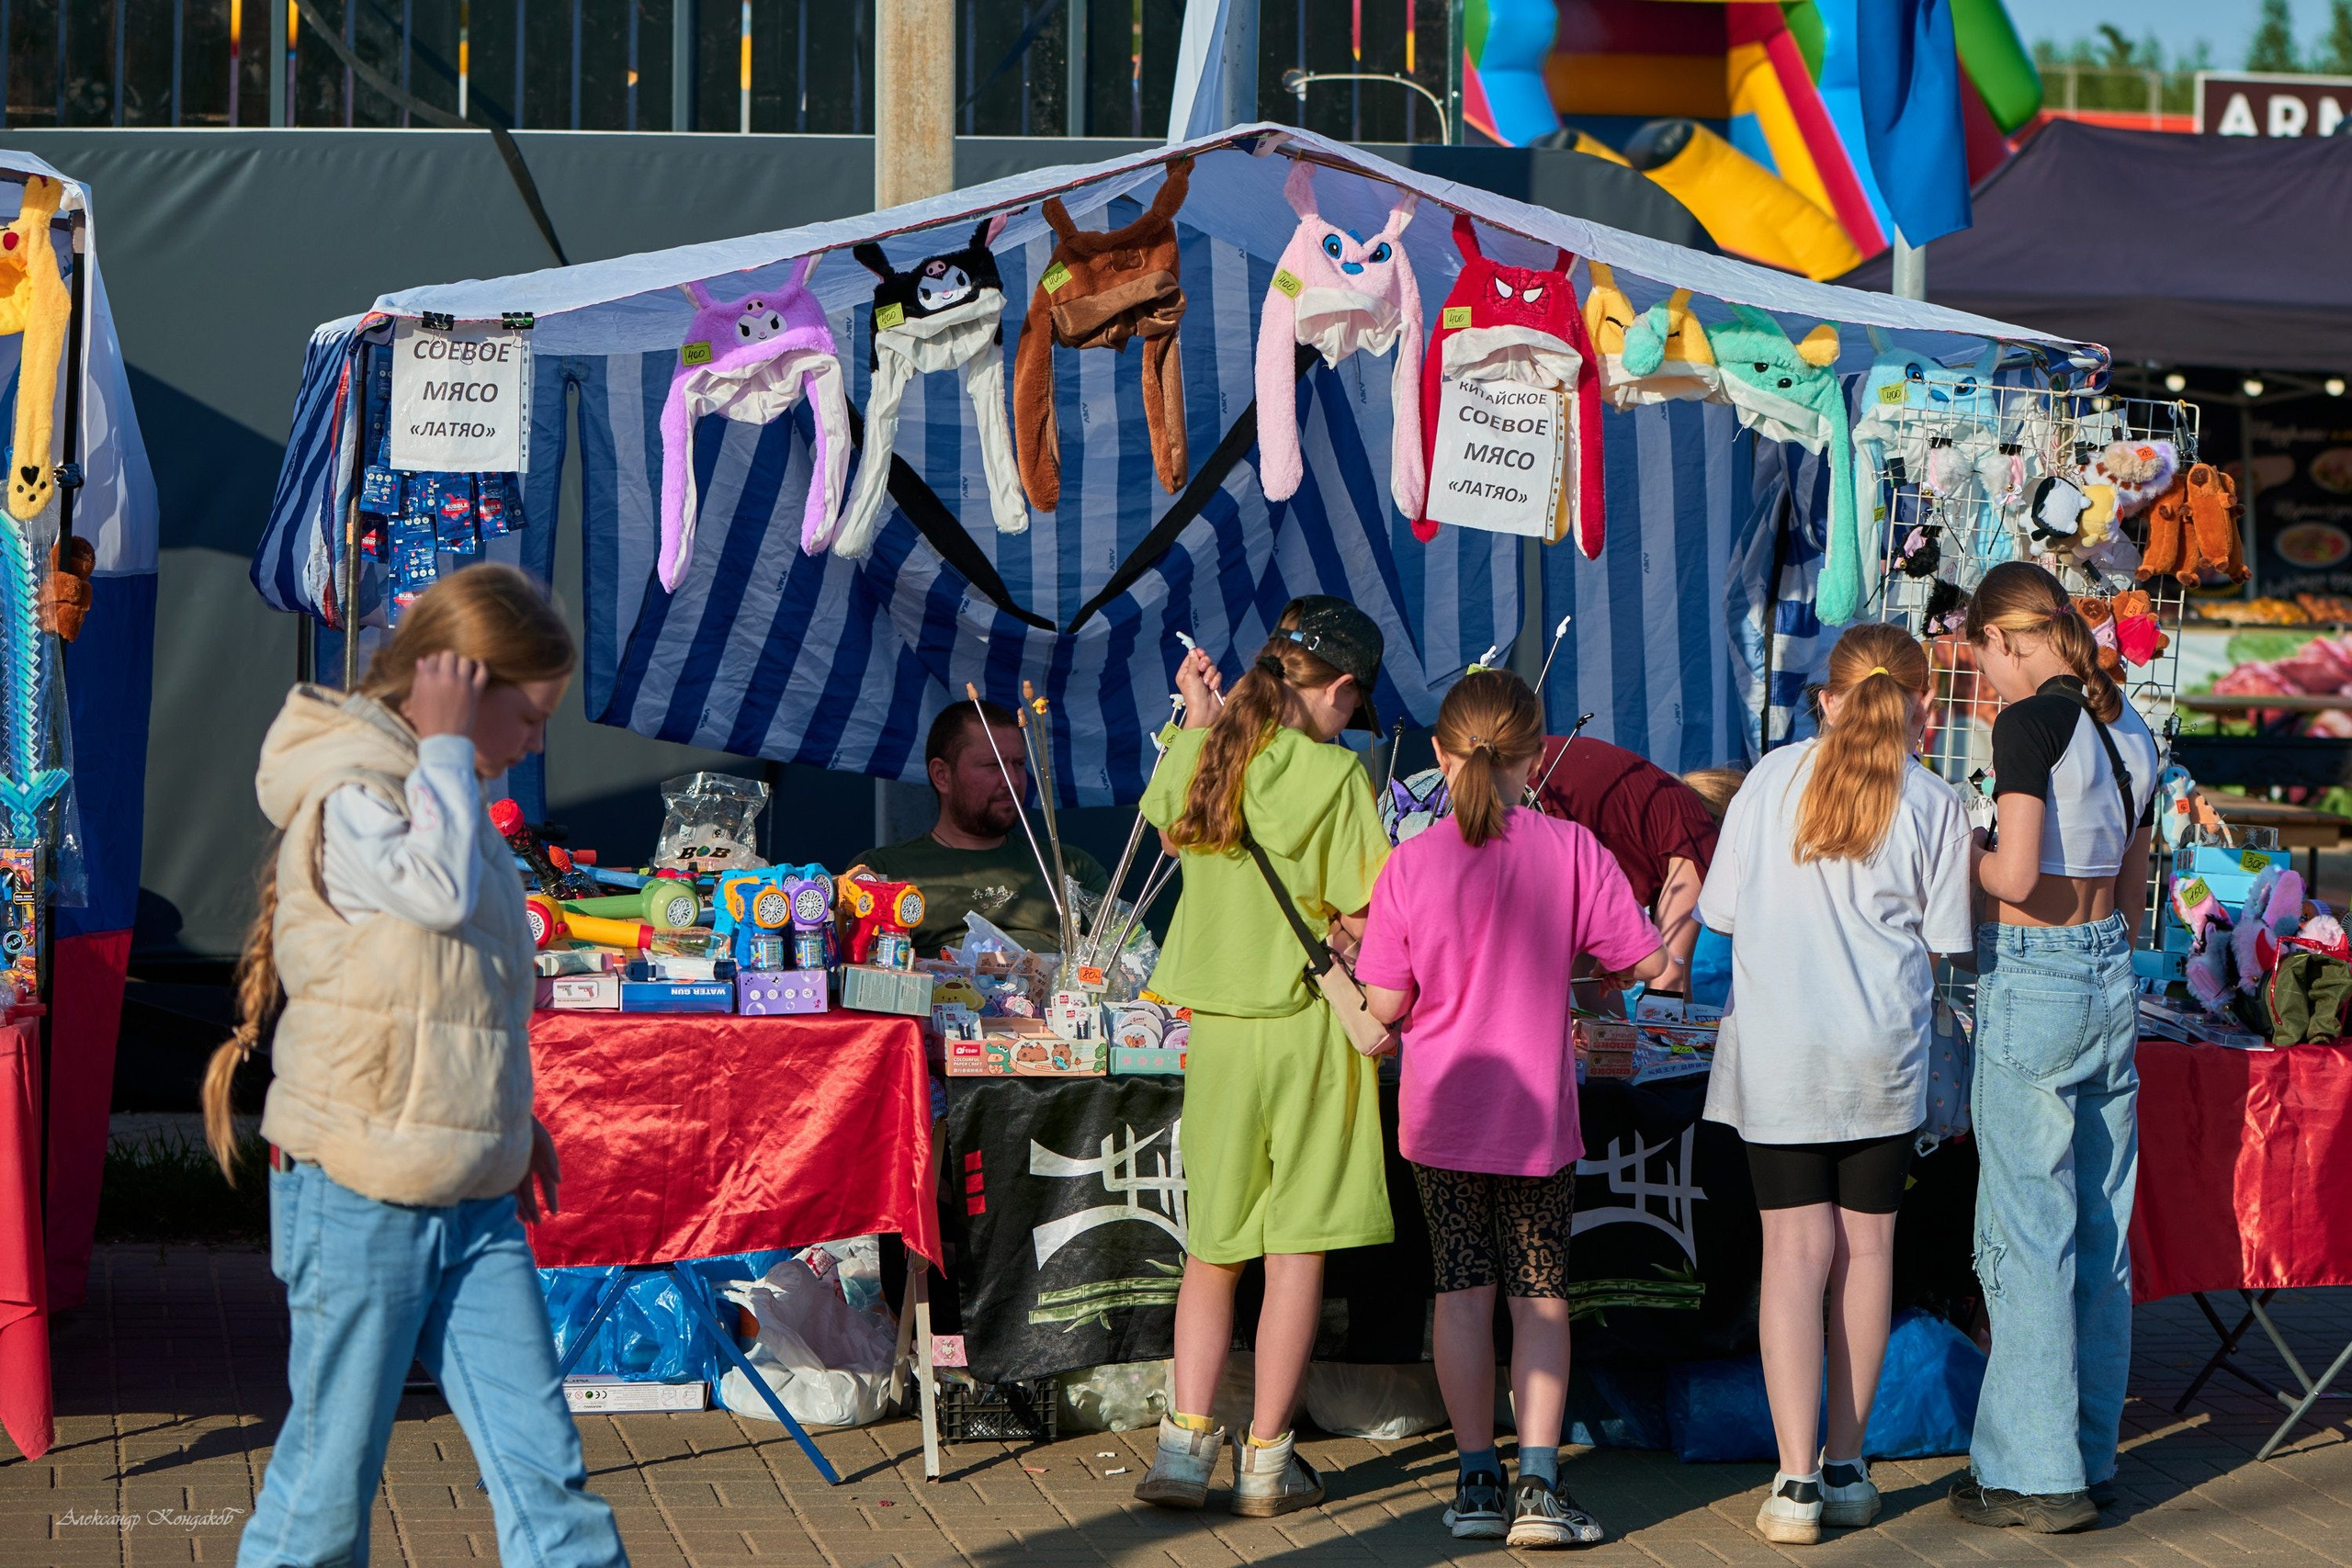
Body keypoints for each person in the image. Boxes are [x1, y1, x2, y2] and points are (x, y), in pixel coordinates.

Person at [209, 564, 628, 1568]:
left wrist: (506, 1122)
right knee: (325, 1492)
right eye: (528, 716)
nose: (534, 744)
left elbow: (459, 992)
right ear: (464, 688)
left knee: (546, 1473)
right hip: (359, 1189)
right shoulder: (357, 795)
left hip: (469, 1192)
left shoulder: (451, 794)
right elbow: (434, 900)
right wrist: (443, 744)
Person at [1357, 671, 1665, 1549]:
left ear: (1442, 757)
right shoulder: (1571, 849)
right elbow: (1641, 961)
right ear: (1533, 757)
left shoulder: (1411, 861)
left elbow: (1383, 1004)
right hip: (1535, 1114)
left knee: (1459, 1289)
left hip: (1442, 1112)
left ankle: (1474, 1478)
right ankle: (1538, 1480)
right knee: (1540, 1296)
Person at [1697, 623, 1974, 1547]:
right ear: (1919, 704)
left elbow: (1721, 913)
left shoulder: (1771, 777)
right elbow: (1947, 943)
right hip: (1877, 1061)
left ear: (1828, 695)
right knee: (1865, 1256)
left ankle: (1796, 1478)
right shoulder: (1934, 802)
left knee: (1792, 1259)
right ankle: (1849, 1463)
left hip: (1777, 1054)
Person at [1132, 596, 1394, 1517]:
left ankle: (1178, 1450)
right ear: (1339, 690)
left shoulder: (1203, 751)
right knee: (1295, 1254)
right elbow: (1366, 914)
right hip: (1309, 1035)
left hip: (1219, 1038)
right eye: (1348, 708)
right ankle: (1266, 1464)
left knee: (1212, 1251)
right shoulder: (1336, 778)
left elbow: (1173, 833)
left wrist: (1199, 719)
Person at [1951, 561, 2156, 1535]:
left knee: (2025, 1235)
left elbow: (2018, 874)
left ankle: (2032, 1473)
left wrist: (1959, 849)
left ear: (2007, 636)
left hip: (2033, 971)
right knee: (2099, 1234)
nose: (1982, 674)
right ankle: (2085, 1451)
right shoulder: (2133, 730)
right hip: (2109, 975)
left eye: (1980, 653)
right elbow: (2130, 885)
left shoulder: (2029, 723)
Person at [854, 699, 1106, 957]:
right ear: (942, 775)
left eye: (1018, 764)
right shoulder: (883, 871)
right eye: (993, 765)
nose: (1012, 780)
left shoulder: (1071, 868)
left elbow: (1126, 959)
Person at [1534, 734, 1719, 992]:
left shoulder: (1653, 811)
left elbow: (1589, 970)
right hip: (1535, 790)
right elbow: (1670, 973)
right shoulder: (1699, 833)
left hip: (1509, 774)